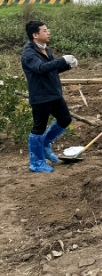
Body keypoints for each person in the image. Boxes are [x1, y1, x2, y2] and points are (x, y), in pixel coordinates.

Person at [21, 21, 78, 173]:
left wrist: (67, 65)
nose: (48, 32)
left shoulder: (46, 49)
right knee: (38, 128)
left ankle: (45, 144)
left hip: (54, 94)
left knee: (65, 119)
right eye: (45, 30)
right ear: (35, 35)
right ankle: (37, 162)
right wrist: (61, 60)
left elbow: (50, 69)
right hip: (40, 97)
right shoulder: (29, 53)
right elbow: (40, 69)